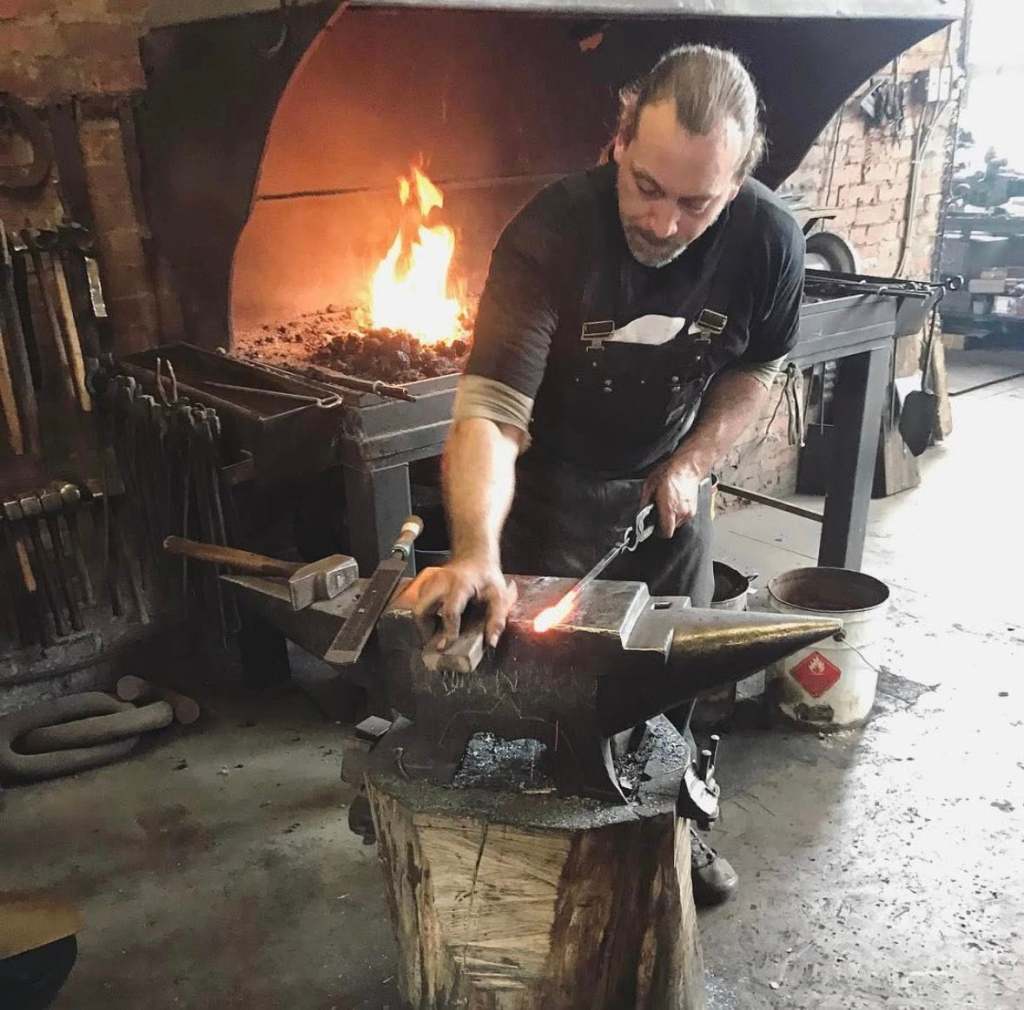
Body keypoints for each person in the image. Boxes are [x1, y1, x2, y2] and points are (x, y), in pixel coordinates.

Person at [402, 44, 805, 907]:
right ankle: (532, 854)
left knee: (672, 686)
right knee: (537, 690)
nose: (662, 222)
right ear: (620, 141)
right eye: (646, 186)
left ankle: (673, 826)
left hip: (668, 494)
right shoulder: (551, 233)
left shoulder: (770, 242)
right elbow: (492, 411)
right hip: (548, 490)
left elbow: (756, 369)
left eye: (695, 204)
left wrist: (691, 463)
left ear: (737, 184)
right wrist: (475, 550)